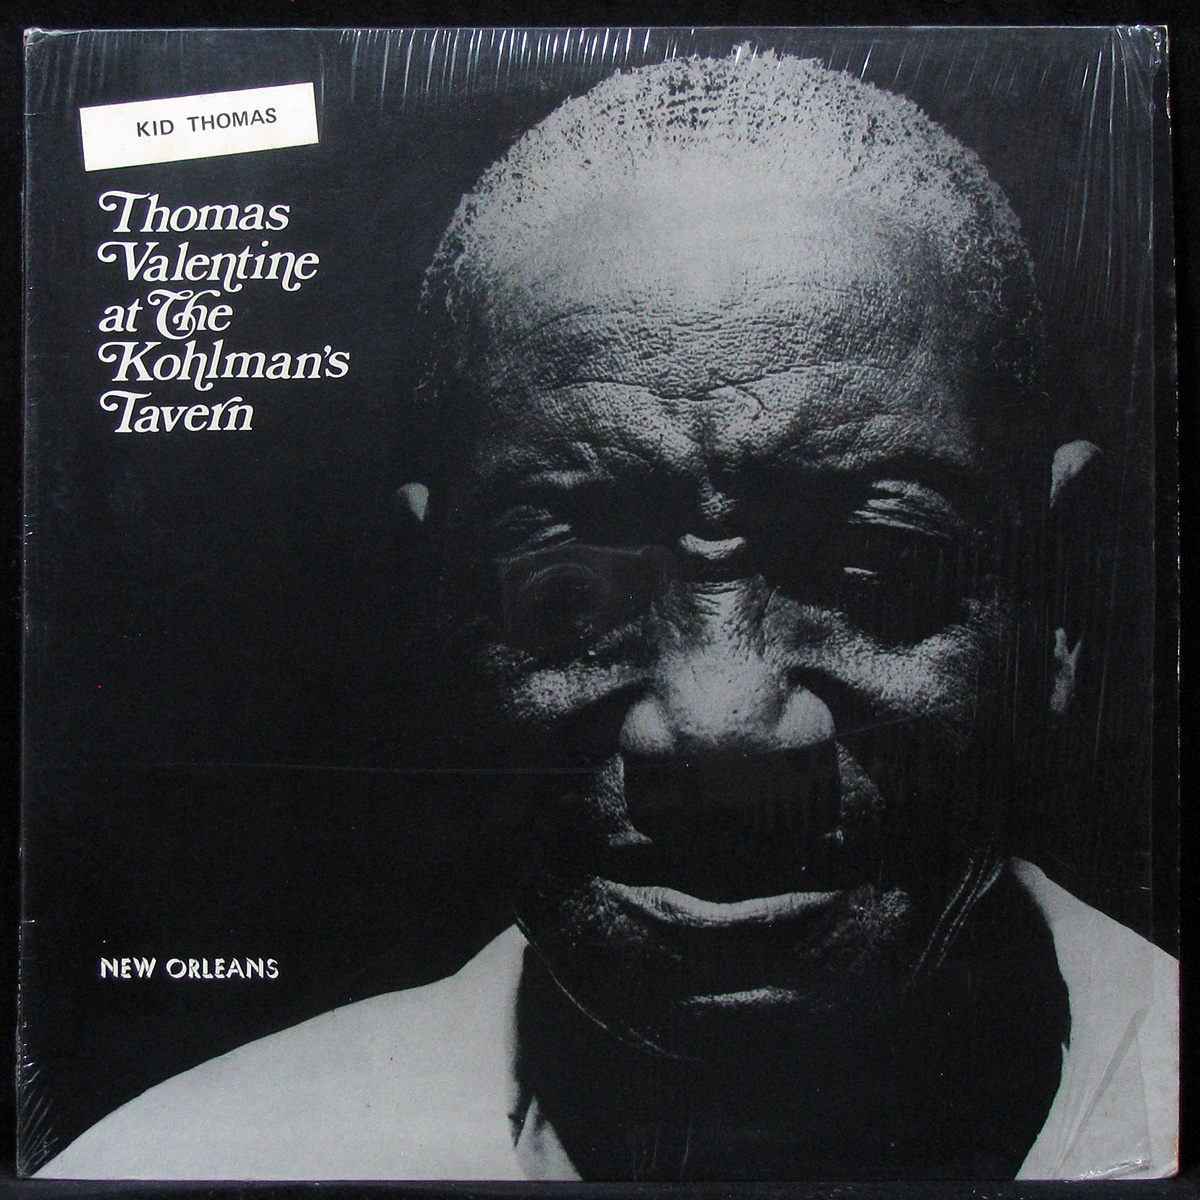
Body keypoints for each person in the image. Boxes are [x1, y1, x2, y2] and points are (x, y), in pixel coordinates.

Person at [40, 51, 1176, 1182]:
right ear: (435, 616)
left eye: (876, 569)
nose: (719, 727)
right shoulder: (183, 1168)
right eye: (570, 590)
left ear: (1061, 602)